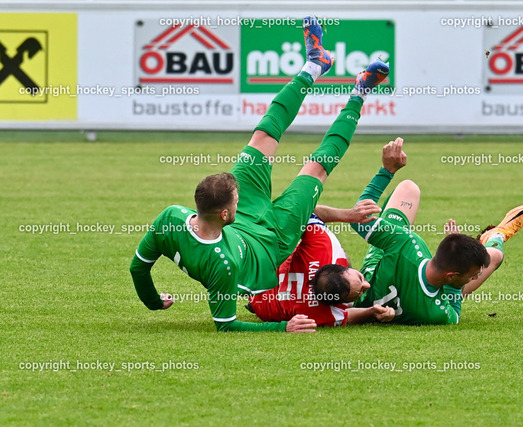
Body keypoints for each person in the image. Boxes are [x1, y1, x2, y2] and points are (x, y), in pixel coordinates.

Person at [129, 17, 390, 332]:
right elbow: (227, 326)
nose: (235, 192)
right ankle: (360, 91)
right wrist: (283, 328)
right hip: (271, 242)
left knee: (263, 136)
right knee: (318, 167)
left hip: (241, 223)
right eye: (234, 196)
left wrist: (154, 302)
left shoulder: (170, 217)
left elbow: (138, 269)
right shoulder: (221, 264)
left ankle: (314, 65)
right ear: (226, 212)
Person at [312, 138, 523, 325]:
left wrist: (387, 171)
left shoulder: (408, 242)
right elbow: (454, 310)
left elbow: (359, 219)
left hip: (384, 258)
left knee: (408, 188)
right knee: (496, 256)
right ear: (450, 276)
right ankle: (497, 237)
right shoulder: (438, 313)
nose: (476, 277)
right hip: (426, 277)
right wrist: (458, 281)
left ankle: (474, 249)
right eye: (472, 276)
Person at [246, 213, 395, 327]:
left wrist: (347, 214)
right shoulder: (318, 312)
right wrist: (371, 312)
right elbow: (346, 317)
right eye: (360, 291)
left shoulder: (324, 245)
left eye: (360, 282)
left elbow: (302, 210)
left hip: (257, 289)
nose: (367, 285)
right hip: (259, 301)